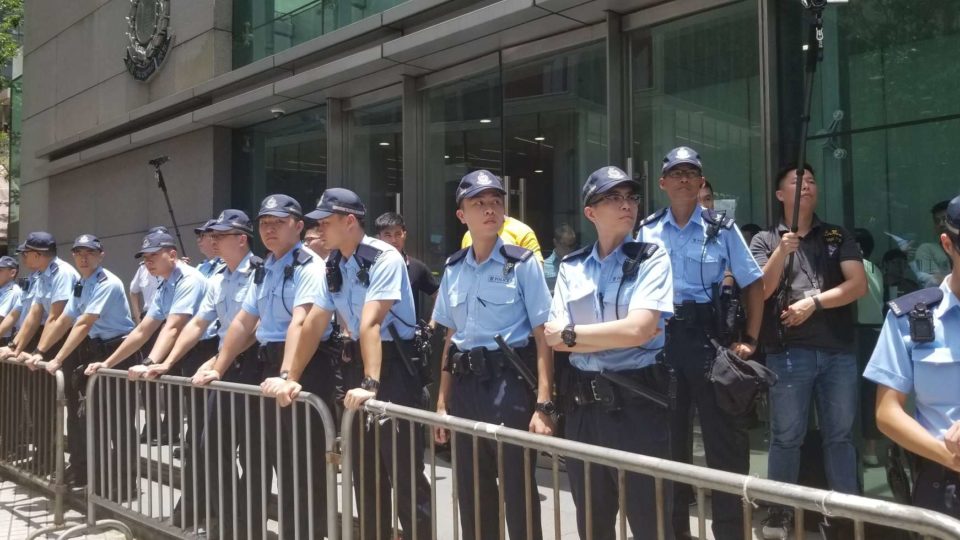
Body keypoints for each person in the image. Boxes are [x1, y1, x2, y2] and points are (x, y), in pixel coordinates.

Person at [286, 187, 433, 540]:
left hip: (394, 371)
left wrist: (370, 384)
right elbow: (315, 321)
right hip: (357, 368)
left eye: (326, 221)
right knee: (364, 472)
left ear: (349, 221)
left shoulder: (383, 257)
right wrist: (290, 376)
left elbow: (371, 322)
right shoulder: (334, 263)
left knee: (403, 473)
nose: (319, 228)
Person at [637, 146, 763, 539]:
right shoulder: (647, 230)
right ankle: (675, 533)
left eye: (691, 173)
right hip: (662, 345)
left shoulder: (721, 228)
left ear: (701, 182)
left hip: (711, 344)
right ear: (663, 183)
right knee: (668, 445)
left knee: (724, 447)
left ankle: (730, 532)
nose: (684, 179)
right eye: (676, 173)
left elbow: (753, 282)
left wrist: (751, 340)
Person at [192, 195, 334, 539]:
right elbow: (243, 321)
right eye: (264, 223)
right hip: (269, 365)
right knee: (281, 463)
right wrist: (219, 366)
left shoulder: (309, 266)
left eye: (278, 222)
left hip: (304, 366)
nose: (269, 229)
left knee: (304, 467)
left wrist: (288, 376)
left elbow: (300, 324)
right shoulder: (266, 268)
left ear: (298, 227)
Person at [545, 165, 675, 540]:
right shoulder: (572, 266)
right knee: (592, 521)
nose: (626, 205)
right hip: (584, 406)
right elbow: (552, 338)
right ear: (590, 212)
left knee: (650, 521)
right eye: (613, 198)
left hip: (638, 401)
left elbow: (640, 329)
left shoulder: (652, 257)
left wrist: (574, 334)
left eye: (631, 197)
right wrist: (595, 336)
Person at [431, 170, 554, 540]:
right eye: (478, 203)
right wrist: (441, 403)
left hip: (510, 385)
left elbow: (543, 335)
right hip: (467, 388)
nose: (489, 209)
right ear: (461, 215)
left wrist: (544, 404)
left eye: (496, 202)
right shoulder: (453, 269)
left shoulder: (522, 263)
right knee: (471, 491)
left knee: (518, 493)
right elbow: (450, 338)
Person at [750, 164, 867, 537]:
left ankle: (846, 515)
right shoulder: (765, 240)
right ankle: (779, 513)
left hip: (837, 352)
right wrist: (781, 253)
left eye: (813, 181)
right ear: (780, 194)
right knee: (786, 436)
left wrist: (813, 303)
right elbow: (760, 292)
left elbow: (857, 285)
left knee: (841, 436)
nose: (807, 186)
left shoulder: (836, 235)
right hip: (787, 353)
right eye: (798, 182)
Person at [131, 210, 262, 536]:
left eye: (220, 235)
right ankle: (231, 525)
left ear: (241, 239)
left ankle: (249, 527)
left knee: (256, 457)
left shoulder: (260, 273)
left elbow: (251, 329)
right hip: (223, 369)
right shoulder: (218, 277)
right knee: (211, 449)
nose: (212, 240)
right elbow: (197, 324)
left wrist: (218, 361)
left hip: (253, 366)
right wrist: (164, 362)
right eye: (212, 235)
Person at [83, 230, 208, 510]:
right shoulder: (165, 283)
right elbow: (144, 329)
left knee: (206, 439)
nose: (148, 263)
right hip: (186, 355)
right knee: (201, 438)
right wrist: (109, 362)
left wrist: (151, 362)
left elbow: (175, 325)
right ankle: (196, 503)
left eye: (153, 256)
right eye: (145, 258)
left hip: (205, 353)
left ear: (172, 255)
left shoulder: (189, 279)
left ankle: (204, 505)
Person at [864, 194, 960, 518]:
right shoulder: (912, 317)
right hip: (944, 480)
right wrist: (950, 458)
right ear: (947, 244)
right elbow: (887, 412)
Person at [24, 235, 135, 490]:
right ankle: (102, 478)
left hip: (118, 349)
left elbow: (84, 323)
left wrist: (58, 358)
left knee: (118, 423)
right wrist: (42, 351)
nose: (83, 258)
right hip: (96, 352)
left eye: (90, 252)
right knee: (96, 419)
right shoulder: (82, 284)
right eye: (78, 253)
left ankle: (124, 481)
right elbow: (65, 319)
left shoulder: (107, 282)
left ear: (101, 254)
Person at [0, 232, 80, 476]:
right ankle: (42, 458)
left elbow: (56, 317)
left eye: (26, 253)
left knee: (56, 405)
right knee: (38, 405)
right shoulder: (41, 275)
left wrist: (39, 351)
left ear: (38, 254)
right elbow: (32, 315)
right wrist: (15, 347)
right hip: (45, 340)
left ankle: (57, 462)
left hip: (61, 339)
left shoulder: (62, 273)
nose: (23, 257)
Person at [375, 212, 440, 318]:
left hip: (408, 333)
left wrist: (431, 325)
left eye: (398, 234)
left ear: (404, 235)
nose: (393, 240)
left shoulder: (417, 267)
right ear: (379, 238)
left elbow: (439, 296)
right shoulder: (369, 267)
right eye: (387, 235)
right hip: (374, 332)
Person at [461, 213, 544, 263]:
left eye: (495, 201)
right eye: (480, 203)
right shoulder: (469, 235)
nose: (489, 209)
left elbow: (536, 276)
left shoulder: (523, 231)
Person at [129, 226, 168, 324]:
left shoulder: (178, 269)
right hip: (148, 317)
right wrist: (138, 318)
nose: (149, 260)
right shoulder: (143, 268)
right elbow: (133, 292)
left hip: (169, 317)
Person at [912, 200, 951, 287]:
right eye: (937, 221)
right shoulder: (926, 249)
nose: (941, 224)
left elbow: (941, 280)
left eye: (945, 219)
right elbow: (932, 283)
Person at [543, 223, 578, 292]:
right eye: (564, 244)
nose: (569, 249)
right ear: (555, 242)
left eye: (572, 245)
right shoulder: (544, 266)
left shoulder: (580, 264)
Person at [0, 256, 24, 344]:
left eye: (0, 270)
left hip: (4, 339)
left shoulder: (13, 291)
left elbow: (1, 318)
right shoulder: (2, 289)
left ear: (12, 273)